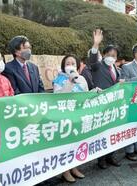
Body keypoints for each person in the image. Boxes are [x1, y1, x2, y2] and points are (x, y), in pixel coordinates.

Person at [89, 29, 121, 169]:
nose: (111, 57)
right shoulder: (98, 66)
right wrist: (95, 44)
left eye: (114, 55)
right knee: (102, 132)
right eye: (109, 54)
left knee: (112, 131)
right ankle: (101, 159)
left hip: (114, 105)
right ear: (105, 54)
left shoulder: (116, 68)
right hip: (101, 105)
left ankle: (111, 156)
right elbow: (92, 59)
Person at [53, 55, 87, 183]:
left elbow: (87, 95)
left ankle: (74, 167)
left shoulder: (82, 79)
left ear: (77, 65)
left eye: (73, 63)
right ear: (63, 66)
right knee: (65, 146)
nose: (70, 65)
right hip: (64, 117)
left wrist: (96, 92)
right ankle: (65, 171)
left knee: (76, 143)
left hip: (78, 116)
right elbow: (57, 98)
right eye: (68, 63)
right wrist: (70, 82)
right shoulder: (59, 79)